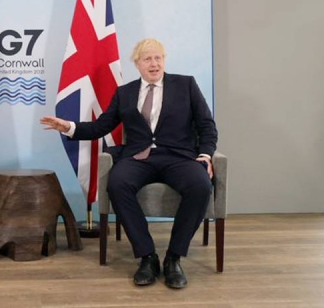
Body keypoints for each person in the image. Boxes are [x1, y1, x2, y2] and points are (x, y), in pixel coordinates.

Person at [40, 38, 217, 289]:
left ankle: (174, 258)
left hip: (178, 157)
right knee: (117, 184)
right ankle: (147, 257)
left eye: (158, 58)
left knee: (200, 186)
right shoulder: (125, 93)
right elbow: (101, 126)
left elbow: (206, 125)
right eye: (147, 59)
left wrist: (206, 154)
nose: (154, 64)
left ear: (164, 60)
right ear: (138, 64)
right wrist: (68, 127)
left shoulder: (186, 85)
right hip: (138, 157)